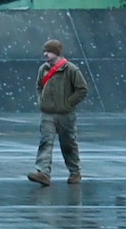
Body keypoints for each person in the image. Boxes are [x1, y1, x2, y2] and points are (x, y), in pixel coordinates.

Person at [28, 39, 88, 187]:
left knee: (68, 144)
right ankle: (43, 173)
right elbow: (39, 86)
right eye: (45, 51)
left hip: (65, 114)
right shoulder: (43, 69)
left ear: (56, 52)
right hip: (47, 113)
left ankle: (75, 172)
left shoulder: (71, 70)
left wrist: (68, 103)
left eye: (48, 51)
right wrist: (42, 100)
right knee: (45, 142)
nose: (45, 54)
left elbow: (82, 90)